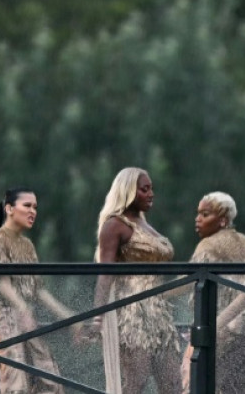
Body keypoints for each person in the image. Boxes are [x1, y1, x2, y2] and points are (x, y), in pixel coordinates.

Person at [81, 167, 181, 394]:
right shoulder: (115, 225)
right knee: (137, 380)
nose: (151, 193)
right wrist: (98, 318)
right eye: (145, 189)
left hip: (159, 313)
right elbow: (105, 273)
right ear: (128, 191)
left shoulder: (145, 225)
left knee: (173, 384)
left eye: (151, 188)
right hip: (131, 315)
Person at [0, 187, 78, 394]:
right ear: (10, 209)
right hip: (4, 315)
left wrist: (69, 317)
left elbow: (38, 290)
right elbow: (4, 285)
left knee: (49, 380)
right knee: (15, 382)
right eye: (27, 206)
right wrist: (23, 309)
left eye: (35, 207)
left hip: (24, 317)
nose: (33, 211)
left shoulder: (27, 245)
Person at [177, 191, 245, 394]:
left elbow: (188, 281)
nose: (197, 219)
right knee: (241, 386)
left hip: (226, 326)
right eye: (198, 213)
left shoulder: (209, 244)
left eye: (205, 214)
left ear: (223, 220)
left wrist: (156, 293)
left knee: (194, 376)